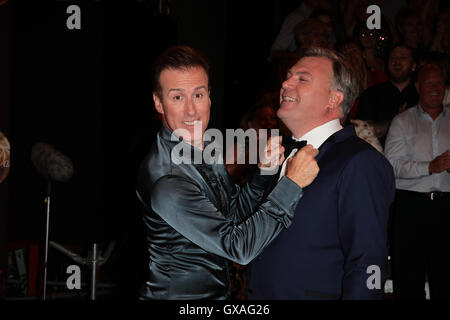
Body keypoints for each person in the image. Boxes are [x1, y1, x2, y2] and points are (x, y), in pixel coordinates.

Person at [136, 45, 319, 300]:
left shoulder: (199, 145)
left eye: (198, 95)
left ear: (209, 96)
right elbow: (238, 247)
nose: (191, 110)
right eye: (177, 97)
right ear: (158, 102)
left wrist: (264, 173)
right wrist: (292, 183)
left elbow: (231, 216)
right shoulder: (168, 182)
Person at [246, 47, 396, 300]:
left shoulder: (360, 162)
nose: (285, 83)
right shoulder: (276, 153)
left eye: (302, 78)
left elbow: (368, 260)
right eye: (289, 75)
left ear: (333, 99)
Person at [385, 63, 450, 299]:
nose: (435, 88)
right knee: (408, 280)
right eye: (429, 83)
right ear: (418, 87)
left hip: (446, 207)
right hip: (411, 208)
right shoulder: (402, 121)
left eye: (439, 83)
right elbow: (391, 166)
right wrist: (430, 167)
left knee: (446, 279)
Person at [356, 44, 419, 146]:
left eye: (403, 58)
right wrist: (396, 122)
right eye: (393, 58)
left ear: (413, 66)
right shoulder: (372, 94)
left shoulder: (421, 95)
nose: (397, 62)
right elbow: (360, 133)